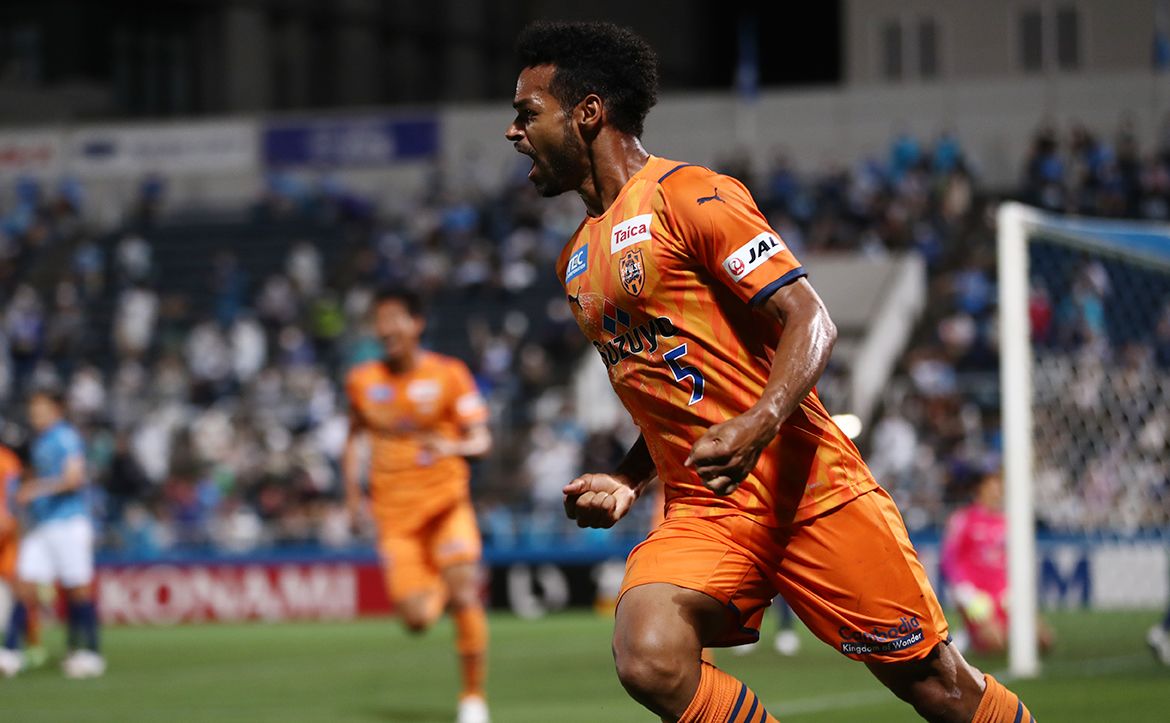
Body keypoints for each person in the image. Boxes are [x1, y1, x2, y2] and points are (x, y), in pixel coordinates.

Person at [506, 21, 1037, 722]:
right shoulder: (575, 260)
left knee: (938, 686)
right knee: (649, 653)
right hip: (708, 508)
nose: (514, 133)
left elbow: (811, 318)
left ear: (588, 111)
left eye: (527, 113)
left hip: (807, 489)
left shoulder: (690, 196)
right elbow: (674, 392)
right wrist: (630, 477)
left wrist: (758, 422)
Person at [342, 288, 493, 723]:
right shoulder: (361, 381)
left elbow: (482, 439)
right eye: (379, 319)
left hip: (446, 504)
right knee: (416, 620)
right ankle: (450, 580)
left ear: (417, 323)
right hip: (395, 517)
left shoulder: (449, 374)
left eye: (394, 317)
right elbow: (353, 440)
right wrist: (352, 499)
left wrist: (453, 446)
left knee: (464, 593)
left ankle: (472, 699)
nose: (385, 328)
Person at [0, 390, 103, 678]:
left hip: (68, 522)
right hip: (43, 524)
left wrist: (35, 489)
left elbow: (73, 479)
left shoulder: (66, 437)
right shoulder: (40, 441)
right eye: (33, 409)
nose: (35, 414)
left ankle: (89, 651)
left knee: (77, 587)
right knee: (24, 584)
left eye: (41, 408)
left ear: (56, 410)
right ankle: (10, 651)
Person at [941, 469, 1053, 655]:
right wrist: (965, 592)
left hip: (1004, 593)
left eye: (999, 488)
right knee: (996, 644)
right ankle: (970, 634)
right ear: (979, 490)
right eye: (992, 487)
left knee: (1044, 640)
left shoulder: (1009, 521)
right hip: (976, 596)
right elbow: (949, 559)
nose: (997, 492)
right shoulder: (963, 519)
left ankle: (992, 629)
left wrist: (1016, 588)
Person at [0, 442, 45, 670]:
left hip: (9, 539)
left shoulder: (6, 460)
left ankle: (14, 647)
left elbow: (10, 504)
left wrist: (8, 522)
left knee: (19, 589)